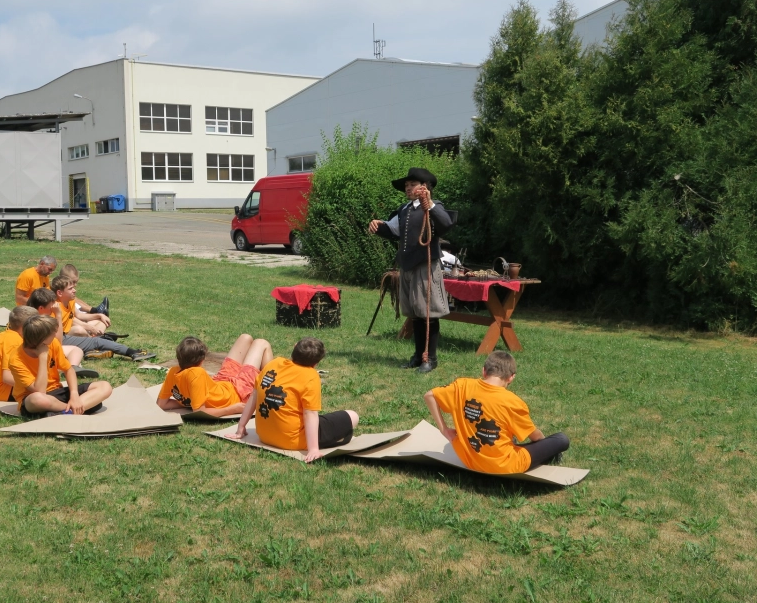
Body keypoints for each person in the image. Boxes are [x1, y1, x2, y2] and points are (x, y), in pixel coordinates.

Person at [368, 167, 456, 374]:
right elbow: (394, 230)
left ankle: (430, 359)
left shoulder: (434, 207)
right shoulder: (405, 209)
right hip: (407, 265)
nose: (407, 188)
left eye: (412, 185)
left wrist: (430, 204)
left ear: (424, 187)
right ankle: (418, 356)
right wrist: (377, 226)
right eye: (406, 186)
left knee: (428, 313)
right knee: (416, 313)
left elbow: (446, 224)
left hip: (425, 265)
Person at [423, 351, 570, 474]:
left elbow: (429, 396)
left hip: (470, 460)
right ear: (511, 377)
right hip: (504, 467)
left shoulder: (462, 386)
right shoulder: (512, 402)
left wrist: (444, 430)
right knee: (561, 439)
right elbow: (536, 437)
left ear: (484, 371)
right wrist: (545, 447)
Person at [227, 338, 359, 463]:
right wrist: (313, 449)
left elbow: (254, 396)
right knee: (353, 416)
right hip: (292, 441)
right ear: (315, 363)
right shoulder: (310, 376)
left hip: (264, 435)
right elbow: (310, 414)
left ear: (294, 347)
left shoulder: (273, 364)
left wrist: (241, 426)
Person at [9, 315, 113, 418]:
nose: (55, 335)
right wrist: (43, 357)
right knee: (38, 400)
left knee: (105, 386)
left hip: (57, 392)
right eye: (53, 334)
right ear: (43, 340)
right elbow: (40, 390)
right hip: (34, 397)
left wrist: (74, 395)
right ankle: (79, 408)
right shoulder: (16, 359)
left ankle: (67, 411)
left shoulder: (53, 343)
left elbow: (69, 370)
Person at [156, 334, 272, 417]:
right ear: (202, 361)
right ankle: (270, 390)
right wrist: (232, 409)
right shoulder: (197, 373)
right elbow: (199, 411)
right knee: (261, 343)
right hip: (238, 391)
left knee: (245, 337)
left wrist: (186, 402)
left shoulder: (173, 371)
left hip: (221, 381)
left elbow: (162, 404)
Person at [27, 288, 156, 362]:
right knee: (93, 342)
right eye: (52, 305)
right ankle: (132, 352)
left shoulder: (33, 315)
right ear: (41, 308)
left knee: (94, 339)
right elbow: (58, 341)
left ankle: (95, 351)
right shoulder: (38, 322)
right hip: (55, 346)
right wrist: (59, 316)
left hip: (59, 341)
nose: (55, 306)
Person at [0, 306, 37, 401]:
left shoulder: (5, 334)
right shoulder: (14, 342)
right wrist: (33, 386)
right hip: (2, 393)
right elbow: (7, 377)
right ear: (26, 327)